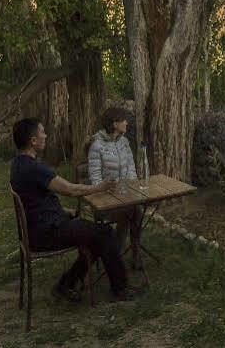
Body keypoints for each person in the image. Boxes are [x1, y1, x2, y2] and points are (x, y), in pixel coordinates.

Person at [9, 118, 142, 302]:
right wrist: (100, 187)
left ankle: (66, 284)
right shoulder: (35, 168)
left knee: (94, 235)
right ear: (33, 140)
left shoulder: (18, 164)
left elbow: (35, 201)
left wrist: (64, 211)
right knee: (104, 233)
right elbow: (71, 189)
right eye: (42, 132)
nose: (45, 135)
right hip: (47, 233)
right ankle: (120, 289)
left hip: (38, 229)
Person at [87, 107, 142, 268]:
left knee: (136, 211)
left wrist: (134, 188)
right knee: (131, 212)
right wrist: (111, 191)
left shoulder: (124, 143)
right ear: (114, 123)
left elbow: (131, 169)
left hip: (126, 196)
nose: (127, 122)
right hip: (106, 201)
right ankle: (115, 256)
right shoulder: (97, 145)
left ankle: (133, 254)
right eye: (123, 120)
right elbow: (95, 179)